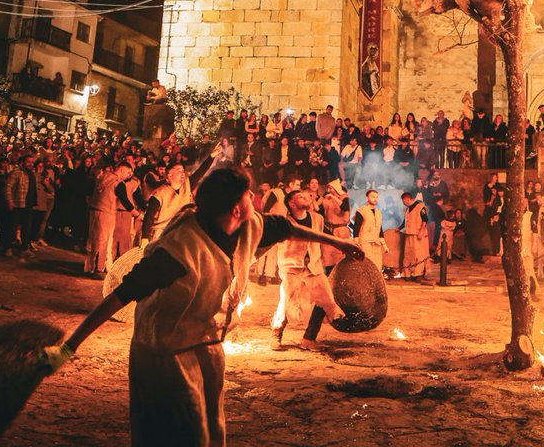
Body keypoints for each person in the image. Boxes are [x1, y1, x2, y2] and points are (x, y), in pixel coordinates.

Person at [43, 169, 363, 446]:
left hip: (208, 341)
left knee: (211, 428)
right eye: (249, 195)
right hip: (163, 350)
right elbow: (120, 295)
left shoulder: (248, 223)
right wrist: (68, 348)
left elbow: (288, 228)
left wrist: (339, 243)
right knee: (177, 432)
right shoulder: (178, 251)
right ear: (236, 208)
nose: (254, 199)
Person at [271, 189, 347, 350]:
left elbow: (328, 236)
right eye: (300, 196)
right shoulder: (284, 222)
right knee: (287, 299)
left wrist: (346, 246)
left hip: (313, 266)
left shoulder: (317, 219)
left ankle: (309, 338)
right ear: (291, 204)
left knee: (326, 299)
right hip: (292, 266)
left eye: (306, 195)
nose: (306, 197)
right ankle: (276, 335)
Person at [352, 188, 387, 269]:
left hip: (376, 242)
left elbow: (380, 229)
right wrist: (356, 241)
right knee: (365, 262)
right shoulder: (361, 211)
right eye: (372, 197)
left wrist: (384, 245)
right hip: (365, 242)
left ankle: (375, 281)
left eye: (376, 197)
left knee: (377, 263)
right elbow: (356, 228)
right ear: (367, 198)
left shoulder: (378, 212)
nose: (375, 199)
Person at [401, 190, 429, 280]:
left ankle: (418, 274)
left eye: (403, 201)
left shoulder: (421, 207)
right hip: (409, 234)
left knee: (419, 255)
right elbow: (405, 221)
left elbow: (425, 219)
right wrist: (398, 228)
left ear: (407, 199)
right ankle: (408, 273)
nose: (403, 203)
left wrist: (421, 231)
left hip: (418, 235)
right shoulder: (407, 209)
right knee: (409, 255)